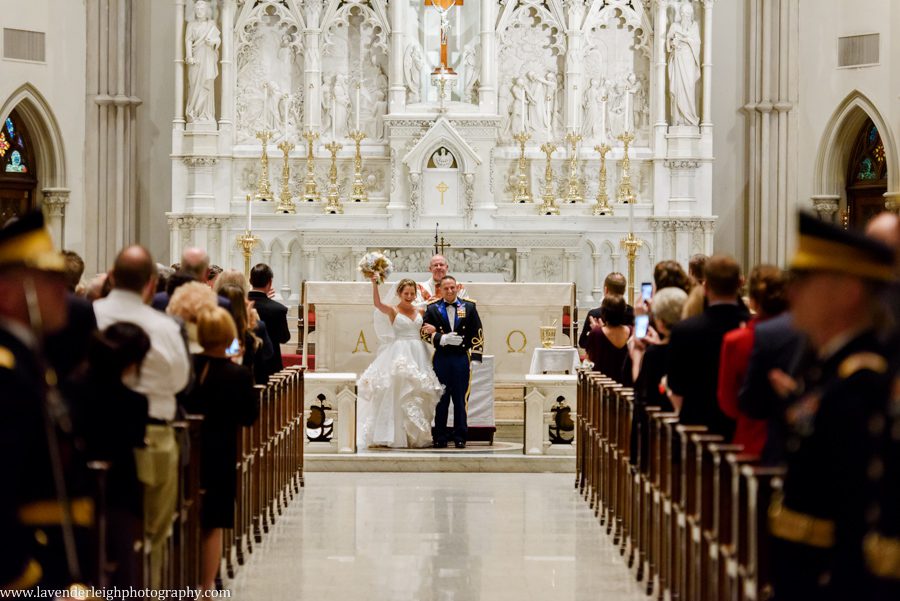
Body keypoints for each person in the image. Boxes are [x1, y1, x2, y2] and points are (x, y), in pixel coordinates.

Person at [768, 213, 895, 600]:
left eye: (805, 280)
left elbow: (854, 512)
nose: (792, 293)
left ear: (848, 292)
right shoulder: (827, 371)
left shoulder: (861, 383)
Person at [0, 211, 91, 590]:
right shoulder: (6, 372)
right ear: (7, 291)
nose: (60, 292)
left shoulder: (32, 356)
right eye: (46, 281)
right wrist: (27, 583)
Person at [92, 245, 191, 589]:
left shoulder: (89, 314)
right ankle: (147, 590)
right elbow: (179, 382)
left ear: (111, 276)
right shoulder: (164, 327)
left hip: (94, 432)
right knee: (151, 534)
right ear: (151, 283)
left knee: (98, 528)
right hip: (153, 435)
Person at [183, 308, 258, 592]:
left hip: (188, 450)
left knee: (186, 515)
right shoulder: (237, 374)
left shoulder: (188, 367)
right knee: (212, 523)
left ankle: (182, 578)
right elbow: (249, 417)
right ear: (229, 336)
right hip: (221, 453)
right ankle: (206, 586)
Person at [78, 323, 151, 587]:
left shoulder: (72, 389)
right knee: (122, 560)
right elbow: (136, 440)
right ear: (132, 363)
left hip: (78, 483)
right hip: (120, 487)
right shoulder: (135, 402)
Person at [666, 254, 749, 438]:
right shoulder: (753, 328)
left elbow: (676, 386)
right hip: (739, 428)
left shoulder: (684, 330)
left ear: (705, 287)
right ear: (739, 283)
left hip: (696, 428)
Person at [356, 277, 442, 448]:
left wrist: (434, 329)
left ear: (416, 294)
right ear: (399, 293)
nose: (409, 296)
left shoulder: (421, 310)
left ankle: (415, 435)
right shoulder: (393, 310)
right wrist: (374, 285)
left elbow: (435, 323)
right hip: (399, 352)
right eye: (406, 293)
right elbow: (378, 304)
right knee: (396, 390)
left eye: (412, 293)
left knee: (417, 390)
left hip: (418, 352)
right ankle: (392, 434)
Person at [717, 265, 788, 455]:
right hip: (791, 441)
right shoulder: (804, 336)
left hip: (751, 438)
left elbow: (728, 404)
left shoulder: (736, 340)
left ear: (753, 301)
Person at [421, 275, 484, 448]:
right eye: (446, 288)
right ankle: (440, 436)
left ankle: (460, 436)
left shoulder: (469, 307)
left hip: (461, 358)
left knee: (460, 399)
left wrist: (476, 356)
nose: (449, 291)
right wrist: (441, 338)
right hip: (441, 358)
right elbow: (423, 332)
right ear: (440, 290)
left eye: (452, 287)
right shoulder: (433, 308)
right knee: (441, 398)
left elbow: (477, 331)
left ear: (457, 288)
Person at [629, 287, 688, 467]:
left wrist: (637, 357)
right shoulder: (690, 349)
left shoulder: (654, 353)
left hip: (657, 429)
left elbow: (640, 387)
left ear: (660, 323)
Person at [248, 263, 290, 375]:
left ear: (250, 281)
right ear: (270, 282)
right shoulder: (278, 309)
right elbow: (284, 337)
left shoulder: (240, 305)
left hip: (246, 364)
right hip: (270, 366)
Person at [583, 295, 632, 386]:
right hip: (626, 383)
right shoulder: (631, 331)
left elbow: (589, 359)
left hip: (601, 383)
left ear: (604, 313)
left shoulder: (597, 333)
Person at [578, 272, 634, 349]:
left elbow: (583, 343)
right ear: (624, 291)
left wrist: (597, 333)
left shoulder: (594, 314)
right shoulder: (633, 313)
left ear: (606, 290)